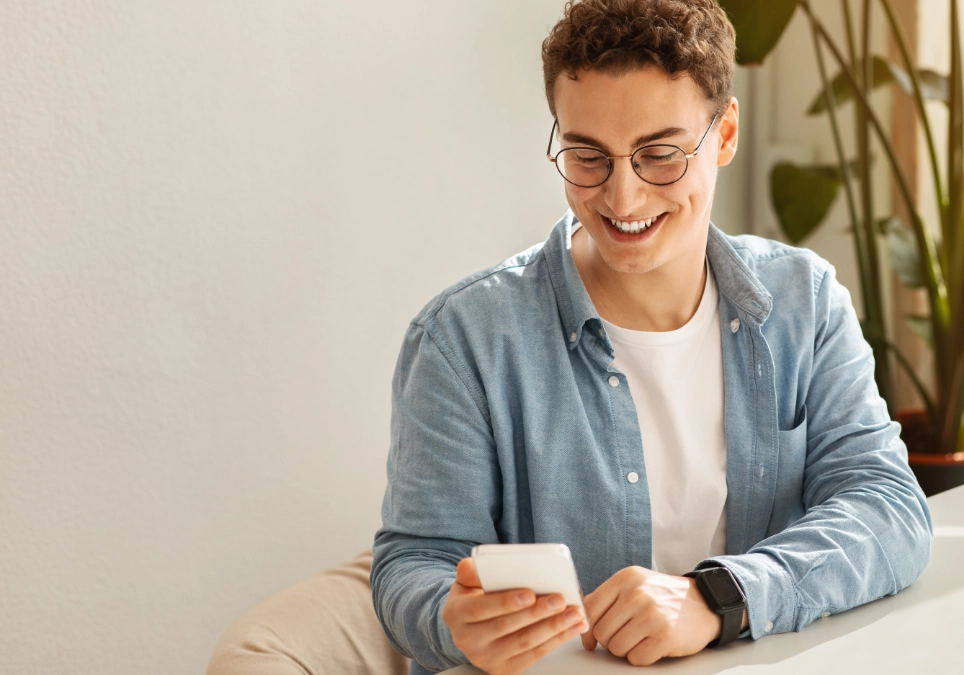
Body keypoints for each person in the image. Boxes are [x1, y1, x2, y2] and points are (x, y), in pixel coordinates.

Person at [371, 1, 932, 673]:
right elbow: (412, 561)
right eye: (587, 157)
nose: (623, 199)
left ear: (723, 135)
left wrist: (715, 597)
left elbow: (889, 508)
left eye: (659, 155)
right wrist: (449, 616)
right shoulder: (464, 339)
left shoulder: (802, 304)